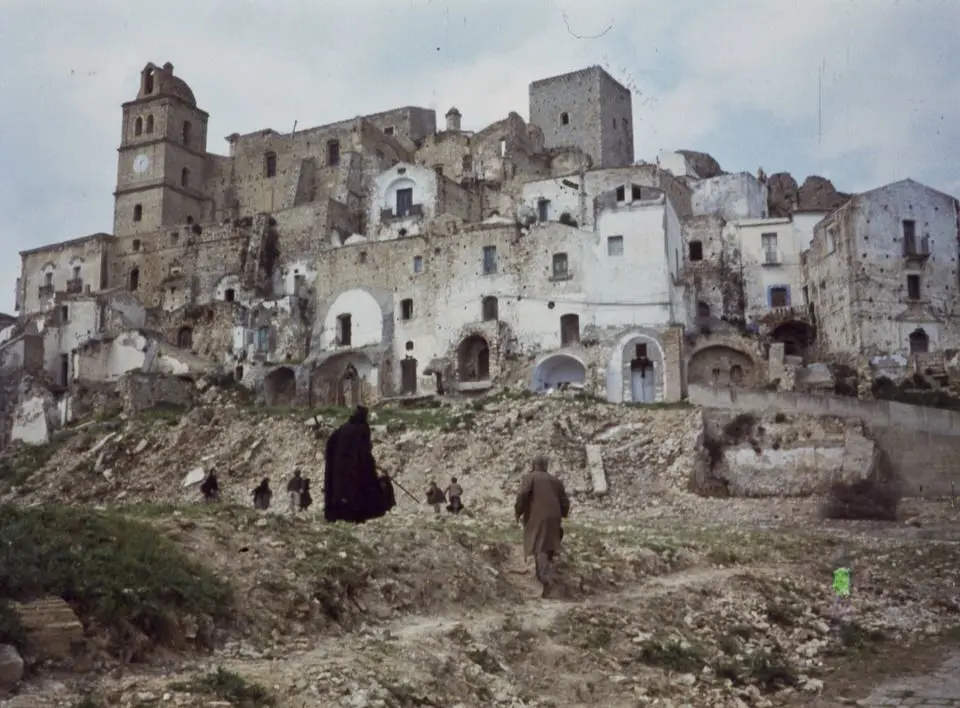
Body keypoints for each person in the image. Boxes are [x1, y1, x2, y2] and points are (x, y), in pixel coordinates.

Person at [323, 405, 393, 523]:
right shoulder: (362, 428)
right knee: (358, 492)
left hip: (338, 470)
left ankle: (339, 515)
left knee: (341, 493)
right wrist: (369, 464)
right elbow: (364, 451)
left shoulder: (343, 428)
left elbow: (331, 444)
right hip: (355, 469)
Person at [514, 456, 570, 598]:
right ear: (546, 466)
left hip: (537, 517)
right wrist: (563, 513)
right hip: (554, 517)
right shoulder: (555, 481)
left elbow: (523, 495)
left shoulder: (530, 478)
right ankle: (550, 579)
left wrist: (518, 511)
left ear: (533, 465)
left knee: (539, 547)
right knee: (549, 544)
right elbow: (564, 501)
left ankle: (548, 583)